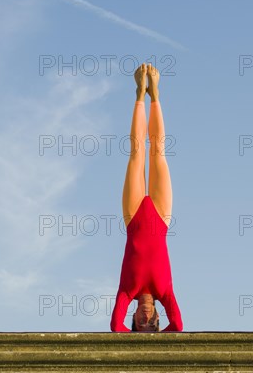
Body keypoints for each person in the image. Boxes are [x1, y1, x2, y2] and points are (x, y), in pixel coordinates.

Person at [110, 63, 183, 332]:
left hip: (133, 217)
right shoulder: (165, 292)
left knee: (137, 153)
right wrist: (160, 338)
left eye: (140, 323)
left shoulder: (128, 289)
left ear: (135, 318)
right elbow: (178, 325)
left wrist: (131, 338)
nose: (146, 319)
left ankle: (139, 94)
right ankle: (156, 97)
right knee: (159, 153)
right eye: (152, 324)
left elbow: (116, 327)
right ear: (157, 318)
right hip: (161, 217)